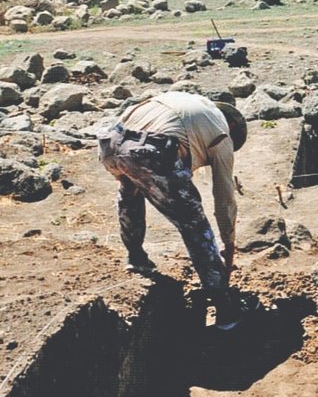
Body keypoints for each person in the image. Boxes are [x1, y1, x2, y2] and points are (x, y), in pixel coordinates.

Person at [97, 92, 258, 330]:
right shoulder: (222, 133)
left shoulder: (189, 104)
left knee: (129, 189)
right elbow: (224, 197)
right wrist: (229, 241)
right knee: (194, 223)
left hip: (112, 143)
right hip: (152, 151)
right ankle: (225, 306)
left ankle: (136, 257)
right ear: (232, 126)